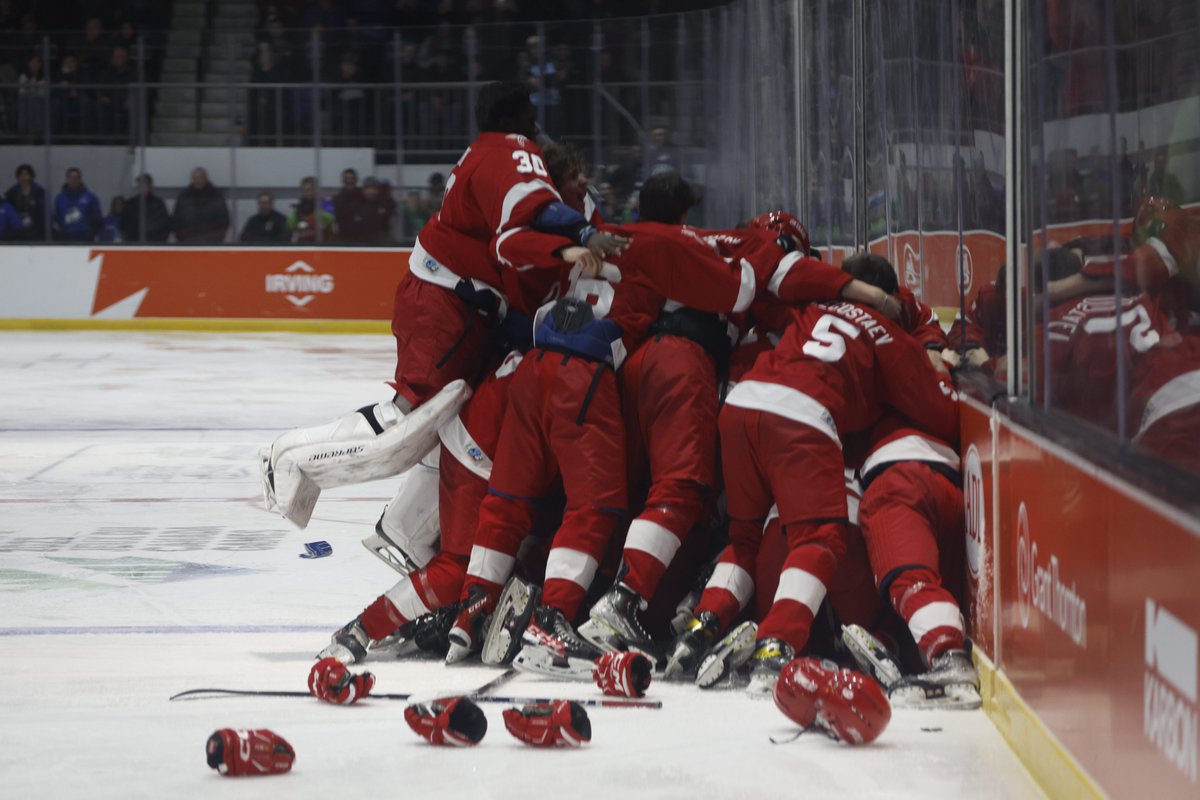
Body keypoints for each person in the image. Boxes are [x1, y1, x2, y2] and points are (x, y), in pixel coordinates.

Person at [675, 253, 959, 695]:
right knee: (823, 539)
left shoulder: (810, 308)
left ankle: (702, 626)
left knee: (745, 539)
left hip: (742, 405)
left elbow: (764, 287)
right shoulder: (885, 331)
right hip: (802, 416)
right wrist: (938, 363)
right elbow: (941, 411)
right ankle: (777, 643)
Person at [172, 167, 230, 243]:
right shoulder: (183, 198)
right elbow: (176, 220)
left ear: (206, 179)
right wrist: (182, 239)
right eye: (195, 178)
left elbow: (224, 220)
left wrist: (215, 240)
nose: (198, 181)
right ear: (192, 180)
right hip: (188, 243)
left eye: (200, 178)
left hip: (211, 244)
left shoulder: (216, 196)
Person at [336, 177, 395, 243]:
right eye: (368, 188)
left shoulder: (384, 204)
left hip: (379, 244)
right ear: (363, 190)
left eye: (374, 188)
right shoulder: (355, 206)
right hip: (359, 244)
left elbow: (391, 207)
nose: (371, 191)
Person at [52, 167, 102, 241]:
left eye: (76, 177)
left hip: (85, 239)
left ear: (80, 179)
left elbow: (97, 218)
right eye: (70, 177)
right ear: (67, 179)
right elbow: (57, 219)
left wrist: (91, 234)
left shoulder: (90, 197)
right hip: (66, 238)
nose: (73, 180)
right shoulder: (60, 198)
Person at [119, 173, 171, 243]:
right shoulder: (130, 204)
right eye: (140, 184)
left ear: (150, 185)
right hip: (133, 244)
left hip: (154, 244)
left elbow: (164, 225)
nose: (142, 186)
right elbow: (123, 224)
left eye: (145, 184)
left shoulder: (158, 204)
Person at [4, 163, 47, 241]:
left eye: (26, 174)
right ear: (18, 177)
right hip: (17, 233)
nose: (24, 177)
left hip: (37, 232)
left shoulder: (39, 193)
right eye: (21, 175)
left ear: (31, 176)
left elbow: (44, 213)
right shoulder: (11, 194)